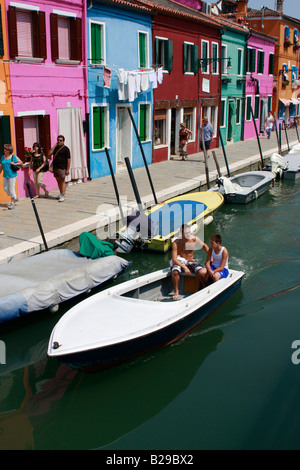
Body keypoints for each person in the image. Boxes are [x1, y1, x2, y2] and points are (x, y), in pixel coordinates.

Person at [170, 224, 209, 300]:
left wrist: (210, 256)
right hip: (180, 261)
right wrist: (185, 267)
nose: (188, 234)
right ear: (181, 233)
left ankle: (197, 290)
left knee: (201, 272)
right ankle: (176, 291)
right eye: (186, 233)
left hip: (191, 261)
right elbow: (174, 259)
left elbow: (204, 246)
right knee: (175, 271)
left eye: (189, 232)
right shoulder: (176, 242)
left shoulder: (194, 239)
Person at [48, 135, 71, 202]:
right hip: (55, 167)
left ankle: (63, 195)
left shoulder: (66, 149)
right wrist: (55, 145)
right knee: (58, 181)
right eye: (58, 140)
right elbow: (49, 154)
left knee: (62, 181)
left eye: (60, 140)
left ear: (63, 141)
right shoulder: (55, 148)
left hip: (62, 168)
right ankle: (61, 193)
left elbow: (68, 159)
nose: (59, 141)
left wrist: (67, 169)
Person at [0, 144, 23, 210]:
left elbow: (21, 162)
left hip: (12, 175)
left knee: (11, 189)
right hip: (5, 175)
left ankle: (12, 203)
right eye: (4, 149)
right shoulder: (2, 157)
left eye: (6, 149)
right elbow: (1, 166)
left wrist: (14, 163)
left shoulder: (13, 156)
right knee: (5, 188)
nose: (4, 150)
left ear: (9, 150)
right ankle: (15, 198)